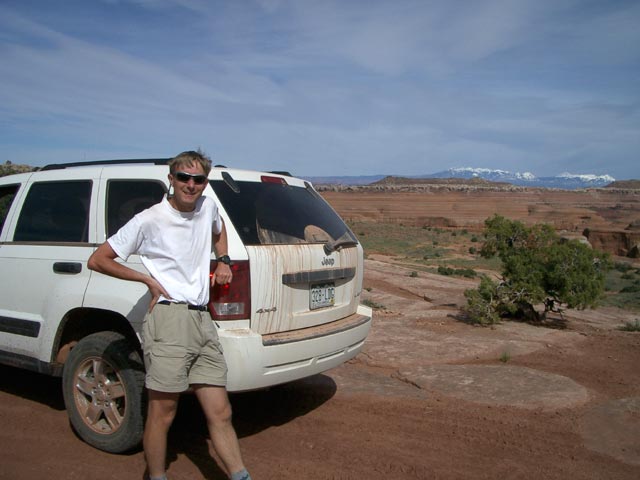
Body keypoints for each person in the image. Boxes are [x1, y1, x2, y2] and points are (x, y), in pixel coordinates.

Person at [88, 150, 251, 480]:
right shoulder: (149, 219)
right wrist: (146, 279)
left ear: (205, 182)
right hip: (169, 320)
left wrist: (224, 260)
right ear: (171, 179)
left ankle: (240, 475)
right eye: (183, 178)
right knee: (164, 411)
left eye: (198, 179)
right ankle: (157, 475)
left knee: (221, 411)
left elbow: (219, 232)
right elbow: (99, 259)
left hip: (202, 321)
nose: (191, 185)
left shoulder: (208, 208)